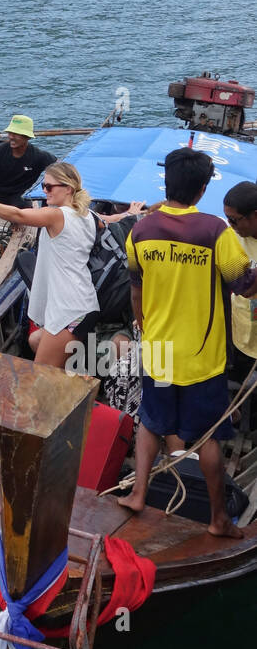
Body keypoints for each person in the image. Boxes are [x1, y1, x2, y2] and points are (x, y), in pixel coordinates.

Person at [118, 148, 257, 538]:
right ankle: (218, 519)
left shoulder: (140, 231)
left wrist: (146, 328)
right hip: (201, 358)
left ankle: (139, 494)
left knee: (150, 422)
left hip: (158, 351)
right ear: (201, 189)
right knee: (208, 436)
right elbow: (245, 286)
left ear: (168, 185)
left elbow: (135, 291)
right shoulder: (215, 231)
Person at [0, 161, 99, 367]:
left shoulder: (56, 215)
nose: (44, 191)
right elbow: (108, 220)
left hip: (69, 310)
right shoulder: (88, 215)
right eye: (43, 186)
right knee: (34, 340)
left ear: (68, 189)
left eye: (49, 187)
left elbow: (20, 215)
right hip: (84, 304)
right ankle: (67, 382)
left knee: (40, 378)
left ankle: (59, 391)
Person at [0, 115, 56, 260]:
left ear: (26, 137)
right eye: (10, 133)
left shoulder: (39, 156)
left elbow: (61, 169)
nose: (11, 137)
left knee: (26, 219)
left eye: (16, 134)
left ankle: (17, 231)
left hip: (20, 195)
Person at [222, 181, 257, 382]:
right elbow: (245, 289)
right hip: (240, 336)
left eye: (234, 220)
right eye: (227, 219)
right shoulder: (231, 238)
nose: (230, 226)